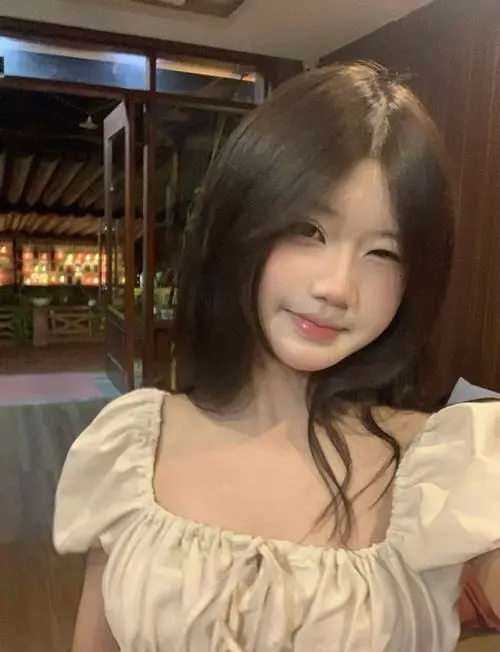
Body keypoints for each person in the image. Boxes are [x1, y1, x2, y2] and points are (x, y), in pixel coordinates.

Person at [53, 62, 500, 652]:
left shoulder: (449, 466)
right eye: (309, 230)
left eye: (384, 253)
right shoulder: (131, 447)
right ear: (241, 218)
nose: (337, 287)